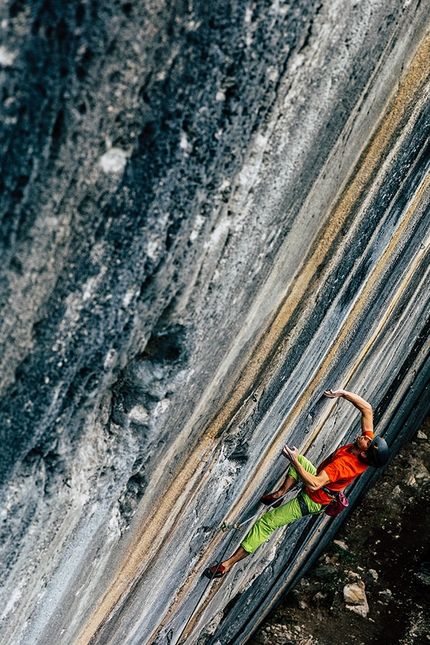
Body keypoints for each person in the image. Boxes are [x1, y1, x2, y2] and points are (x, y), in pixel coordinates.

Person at [204, 389, 390, 578]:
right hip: (320, 486)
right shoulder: (364, 450)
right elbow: (367, 410)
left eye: (368, 440)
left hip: (313, 500)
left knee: (266, 523)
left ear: (365, 454)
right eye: (368, 436)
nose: (366, 436)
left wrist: (293, 461)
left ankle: (227, 565)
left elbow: (315, 484)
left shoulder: (345, 466)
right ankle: (279, 495)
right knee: (300, 462)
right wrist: (343, 394)